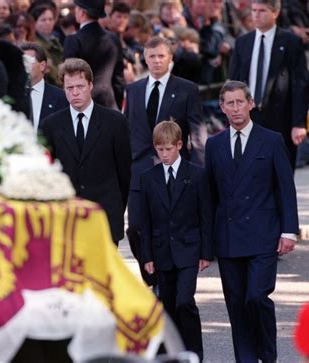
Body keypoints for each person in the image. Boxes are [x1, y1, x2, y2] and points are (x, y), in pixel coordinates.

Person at [205, 80, 298, 363]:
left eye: (239, 102)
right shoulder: (214, 144)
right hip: (228, 236)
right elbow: (209, 196)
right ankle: (245, 359)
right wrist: (206, 245)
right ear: (222, 108)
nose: (235, 108)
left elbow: (285, 188)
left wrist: (289, 231)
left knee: (256, 297)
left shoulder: (271, 140)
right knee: (236, 305)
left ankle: (268, 356)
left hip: (263, 235)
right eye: (229, 103)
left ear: (251, 103)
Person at [124, 36, 206, 286]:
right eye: (151, 56)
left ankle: (167, 281)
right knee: (136, 228)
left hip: (175, 170)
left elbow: (197, 132)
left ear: (170, 58)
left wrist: (198, 171)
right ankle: (153, 278)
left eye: (161, 56)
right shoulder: (134, 90)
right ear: (144, 59)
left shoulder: (186, 89)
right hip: (139, 171)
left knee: (169, 228)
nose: (156, 61)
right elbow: (127, 130)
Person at [140, 120, 212, 360]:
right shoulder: (148, 178)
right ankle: (175, 354)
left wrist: (206, 252)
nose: (164, 154)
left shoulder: (196, 175)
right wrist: (147, 256)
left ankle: (195, 353)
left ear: (179, 145)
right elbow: (145, 221)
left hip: (189, 250)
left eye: (168, 149)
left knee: (184, 302)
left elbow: (206, 216)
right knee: (168, 307)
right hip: (162, 252)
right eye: (159, 149)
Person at [40, 58, 131, 245]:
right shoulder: (51, 125)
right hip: (66, 218)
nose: (75, 92)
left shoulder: (115, 122)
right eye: (69, 88)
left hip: (105, 216)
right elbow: (48, 173)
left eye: (80, 86)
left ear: (90, 85)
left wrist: (115, 209)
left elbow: (125, 173)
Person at [229, 0, 309, 170]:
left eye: (262, 11)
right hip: (249, 117)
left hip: (281, 118)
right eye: (254, 10)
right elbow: (233, 83)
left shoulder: (290, 42)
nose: (256, 15)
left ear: (275, 13)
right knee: (251, 172)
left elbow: (299, 84)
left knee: (281, 172)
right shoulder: (242, 43)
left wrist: (299, 123)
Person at [63, 0, 125, 111]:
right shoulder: (114, 39)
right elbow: (118, 80)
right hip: (109, 104)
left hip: (82, 107)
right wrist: (118, 107)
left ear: (81, 12)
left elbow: (68, 78)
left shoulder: (73, 40)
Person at [21, 42, 68, 130]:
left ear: (42, 66)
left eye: (29, 61)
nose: (24, 66)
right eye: (22, 62)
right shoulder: (12, 96)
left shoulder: (61, 97)